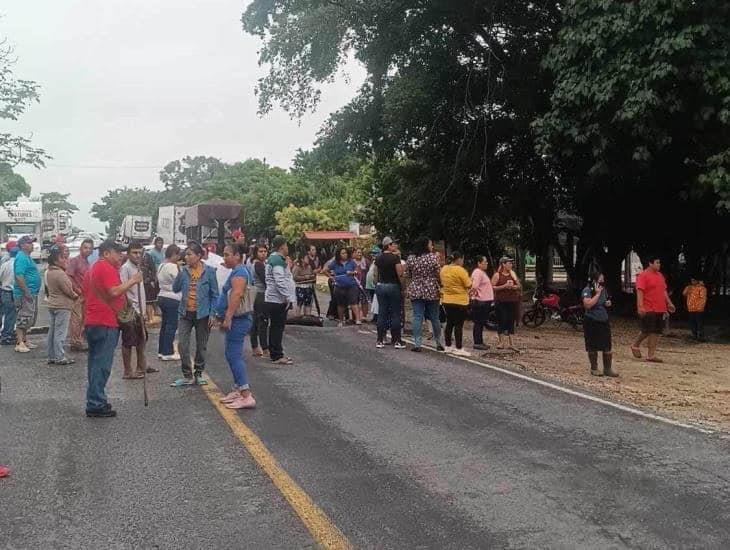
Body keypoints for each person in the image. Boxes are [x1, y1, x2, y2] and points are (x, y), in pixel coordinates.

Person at [84, 240, 143, 417]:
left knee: (95, 364)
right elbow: (113, 292)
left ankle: (96, 398)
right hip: (104, 320)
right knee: (102, 364)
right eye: (117, 253)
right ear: (106, 253)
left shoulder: (93, 268)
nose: (120, 256)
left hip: (94, 319)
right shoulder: (105, 268)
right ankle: (95, 403)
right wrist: (133, 280)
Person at [171, 241, 219, 386]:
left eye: (189, 254)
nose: (186, 257)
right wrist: (179, 272)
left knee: (201, 345)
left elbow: (214, 294)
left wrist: (212, 314)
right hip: (185, 313)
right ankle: (187, 375)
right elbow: (175, 289)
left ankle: (198, 373)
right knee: (182, 344)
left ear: (199, 256)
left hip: (203, 314)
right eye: (186, 254)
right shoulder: (184, 271)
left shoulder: (209, 271)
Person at [216, 243, 257, 409]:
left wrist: (228, 317)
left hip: (239, 319)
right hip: (238, 319)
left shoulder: (240, 272)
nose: (225, 258)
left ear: (238, 256)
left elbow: (237, 294)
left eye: (227, 254)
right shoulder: (238, 270)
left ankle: (246, 394)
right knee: (231, 353)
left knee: (234, 355)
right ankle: (238, 388)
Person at [119, 242, 156, 379]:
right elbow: (123, 289)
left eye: (140, 253)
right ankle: (127, 370)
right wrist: (131, 307)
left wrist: (143, 311)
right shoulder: (125, 268)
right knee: (128, 341)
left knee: (142, 339)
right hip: (131, 311)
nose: (137, 255)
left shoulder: (139, 268)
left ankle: (141, 366)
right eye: (134, 252)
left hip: (140, 310)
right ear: (128, 254)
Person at [631, 256, 676, 362]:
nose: (659, 265)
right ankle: (635, 345)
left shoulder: (660, 276)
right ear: (650, 264)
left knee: (656, 331)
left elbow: (663, 291)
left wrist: (669, 303)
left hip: (660, 307)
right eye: (657, 263)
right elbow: (640, 291)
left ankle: (651, 355)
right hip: (649, 307)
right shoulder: (643, 275)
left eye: (659, 263)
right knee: (646, 330)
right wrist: (640, 306)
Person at [405, 237, 443, 353]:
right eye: (431, 244)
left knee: (417, 316)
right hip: (431, 289)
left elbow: (408, 274)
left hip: (416, 288)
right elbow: (438, 273)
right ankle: (438, 342)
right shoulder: (433, 257)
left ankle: (417, 343)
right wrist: (440, 285)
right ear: (426, 246)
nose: (432, 247)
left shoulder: (411, 258)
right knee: (435, 317)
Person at [264, 235, 296, 365]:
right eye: (286, 245)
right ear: (282, 246)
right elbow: (280, 281)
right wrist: (287, 296)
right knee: (277, 327)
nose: (288, 248)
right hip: (277, 299)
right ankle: (277, 355)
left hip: (274, 298)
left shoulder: (275, 258)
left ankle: (275, 352)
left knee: (275, 327)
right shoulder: (277, 260)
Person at [45, 246, 79, 365]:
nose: (66, 260)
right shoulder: (60, 274)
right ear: (56, 260)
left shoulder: (49, 272)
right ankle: (59, 356)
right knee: (60, 332)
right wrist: (76, 296)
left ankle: (51, 355)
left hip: (53, 304)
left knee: (52, 331)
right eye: (62, 258)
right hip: (62, 306)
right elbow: (68, 291)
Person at [582, 273, 617, 377]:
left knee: (607, 346)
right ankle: (594, 368)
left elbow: (605, 301)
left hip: (603, 320)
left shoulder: (604, 290)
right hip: (592, 321)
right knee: (592, 346)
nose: (602, 282)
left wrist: (607, 302)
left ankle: (607, 368)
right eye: (600, 280)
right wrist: (597, 294)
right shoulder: (587, 290)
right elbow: (588, 305)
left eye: (603, 280)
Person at [374, 236, 405, 349]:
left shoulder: (378, 258)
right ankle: (396, 340)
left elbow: (375, 275)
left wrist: (377, 284)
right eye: (393, 244)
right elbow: (400, 274)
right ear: (388, 245)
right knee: (395, 313)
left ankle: (380, 339)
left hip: (381, 286)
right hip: (393, 286)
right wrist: (402, 286)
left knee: (382, 312)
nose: (395, 246)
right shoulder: (395, 258)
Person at [440, 251, 472, 356]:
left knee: (449, 323)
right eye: (462, 259)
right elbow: (468, 284)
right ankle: (459, 347)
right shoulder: (460, 270)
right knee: (459, 325)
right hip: (460, 301)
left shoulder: (444, 269)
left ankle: (448, 346)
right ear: (459, 259)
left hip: (447, 300)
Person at [13, 236, 41, 354]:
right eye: (29, 243)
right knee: (23, 317)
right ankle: (19, 342)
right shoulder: (21, 258)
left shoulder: (27, 257)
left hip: (31, 293)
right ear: (23, 245)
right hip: (24, 294)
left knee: (29, 317)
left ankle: (25, 339)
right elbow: (19, 276)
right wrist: (26, 291)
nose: (32, 245)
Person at [66, 238, 94, 352]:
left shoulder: (87, 262)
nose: (87, 250)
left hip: (86, 295)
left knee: (83, 319)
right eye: (85, 247)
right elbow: (69, 276)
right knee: (76, 319)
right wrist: (76, 289)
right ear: (80, 248)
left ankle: (80, 340)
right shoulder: (75, 261)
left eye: (90, 248)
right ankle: (74, 342)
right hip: (78, 295)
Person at [324, 247, 362, 327]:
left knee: (354, 302)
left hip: (351, 285)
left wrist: (352, 272)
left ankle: (358, 319)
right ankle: (340, 320)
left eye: (345, 253)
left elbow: (357, 271)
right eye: (342, 253)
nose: (345, 255)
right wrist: (331, 277)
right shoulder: (335, 263)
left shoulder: (351, 262)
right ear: (339, 255)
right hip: (340, 286)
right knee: (341, 304)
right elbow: (325, 270)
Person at [157, 244, 181, 361]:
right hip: (172, 297)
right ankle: (168, 352)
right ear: (173, 254)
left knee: (165, 325)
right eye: (177, 255)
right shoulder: (172, 266)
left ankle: (161, 350)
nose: (179, 258)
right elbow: (179, 281)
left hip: (162, 296)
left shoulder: (162, 265)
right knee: (171, 325)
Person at [491, 256, 522, 350]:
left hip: (512, 301)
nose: (511, 265)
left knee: (511, 321)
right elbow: (492, 287)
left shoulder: (513, 274)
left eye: (511, 263)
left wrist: (514, 287)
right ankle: (501, 342)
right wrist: (504, 286)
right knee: (501, 320)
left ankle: (512, 343)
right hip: (501, 301)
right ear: (503, 264)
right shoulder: (497, 275)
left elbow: (519, 285)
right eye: (509, 263)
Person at [470, 256, 494, 351]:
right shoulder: (478, 272)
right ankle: (477, 342)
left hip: (484, 301)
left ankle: (480, 341)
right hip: (481, 301)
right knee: (479, 322)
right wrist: (472, 296)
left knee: (481, 322)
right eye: (485, 262)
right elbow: (474, 286)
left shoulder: (481, 272)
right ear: (479, 263)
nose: (487, 263)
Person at [249, 244, 269, 357]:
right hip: (261, 294)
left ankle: (255, 346)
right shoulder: (258, 265)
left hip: (257, 294)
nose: (263, 253)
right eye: (260, 251)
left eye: (265, 251)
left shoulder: (258, 264)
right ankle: (264, 348)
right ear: (256, 253)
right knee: (262, 321)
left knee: (256, 321)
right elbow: (265, 280)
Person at [0, 241, 18, 346]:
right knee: (11, 315)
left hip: (3, 290)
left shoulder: (5, 264)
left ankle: (5, 334)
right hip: (11, 291)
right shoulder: (17, 264)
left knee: (4, 313)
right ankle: (7, 336)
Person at [683, 276, 707, 341]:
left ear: (697, 281)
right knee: (693, 323)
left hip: (699, 309)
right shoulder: (689, 287)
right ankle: (694, 336)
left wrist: (701, 307)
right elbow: (684, 294)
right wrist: (688, 288)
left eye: (694, 280)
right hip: (691, 308)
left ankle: (701, 337)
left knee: (699, 323)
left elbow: (703, 298)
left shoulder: (702, 288)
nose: (692, 281)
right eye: (692, 280)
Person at [141, 249, 160, 326]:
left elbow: (153, 269)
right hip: (140, 282)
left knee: (149, 301)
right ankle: (148, 318)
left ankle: (150, 319)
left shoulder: (147, 256)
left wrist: (150, 279)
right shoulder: (133, 260)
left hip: (147, 282)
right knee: (147, 301)